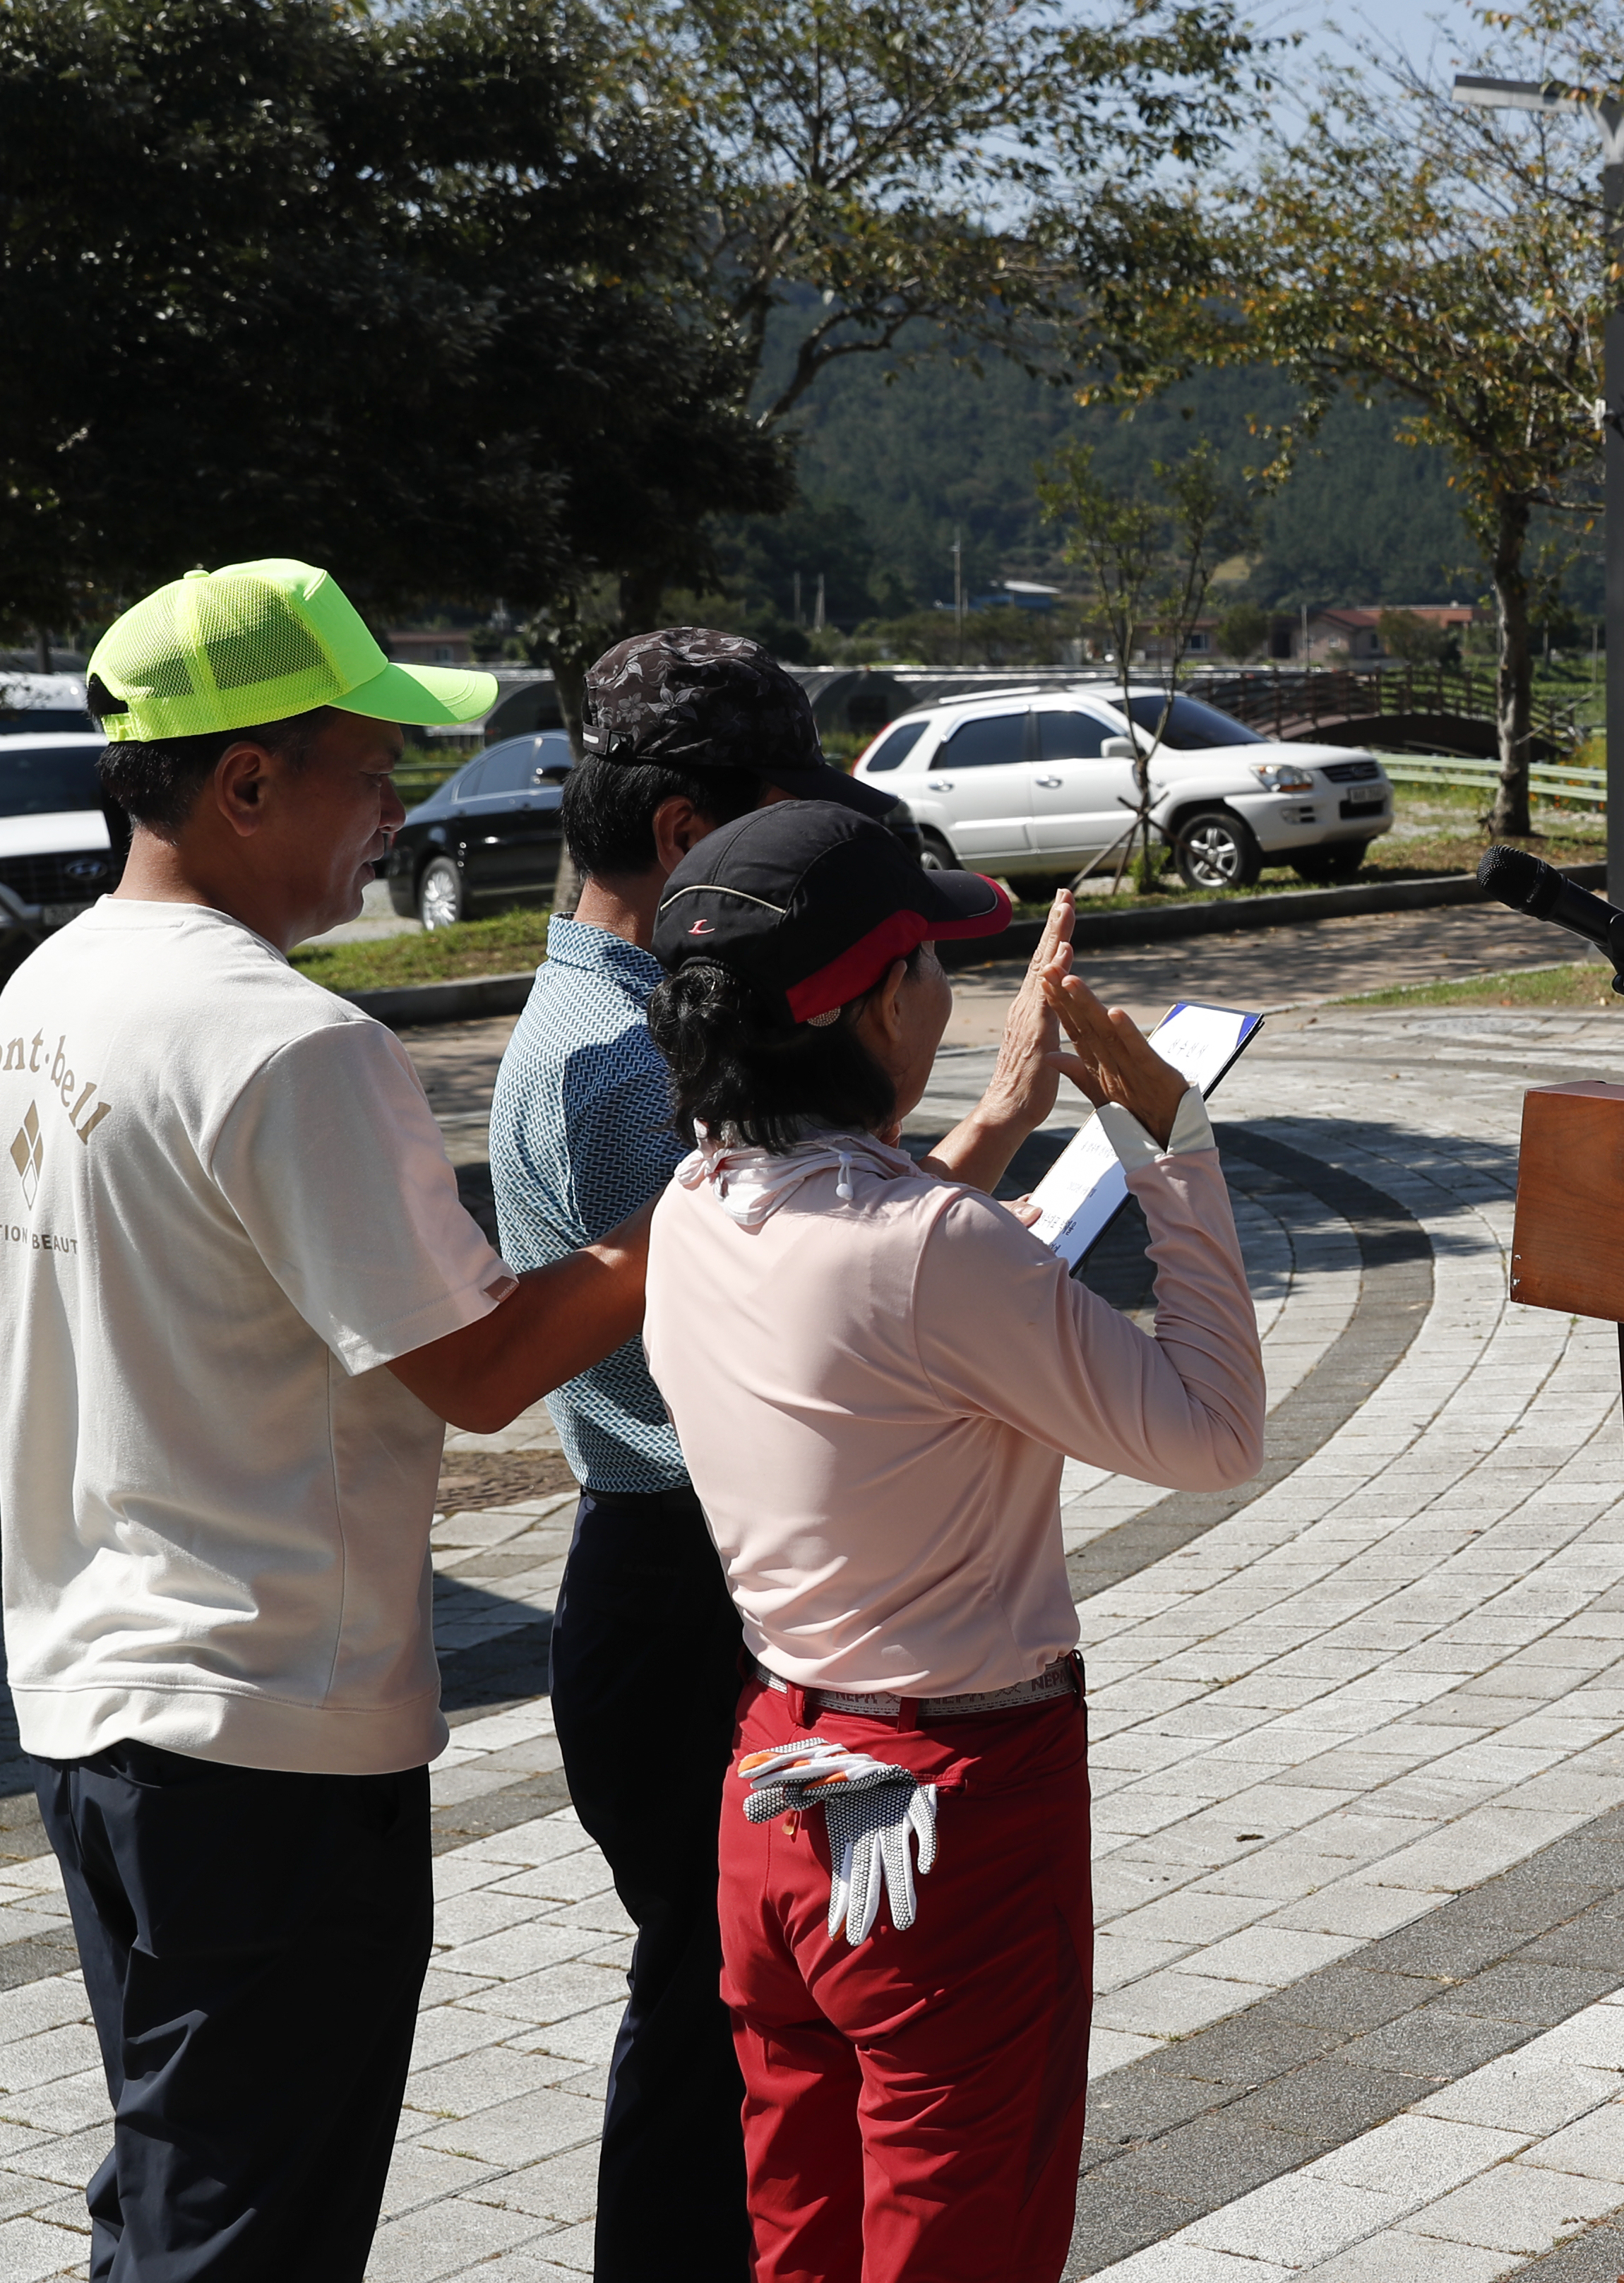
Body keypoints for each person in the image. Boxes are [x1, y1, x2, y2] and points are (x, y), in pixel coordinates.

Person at [0, 560, 662, 2280]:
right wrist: (717, 1209)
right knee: (248, 2235)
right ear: (243, 781)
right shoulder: (292, 1048)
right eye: (372, 773)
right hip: (265, 1729)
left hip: (94, 1698)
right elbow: (482, 1367)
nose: (396, 812)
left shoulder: (50, 990)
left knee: (173, 2188)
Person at [491, 628, 1074, 2278]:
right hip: (683, 1585)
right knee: (706, 2051)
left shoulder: (606, 1017)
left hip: (684, 1572)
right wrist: (966, 1226)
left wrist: (957, 1182)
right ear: (685, 842)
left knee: (722, 2025)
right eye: (765, 829)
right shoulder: (624, 1061)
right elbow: (774, 1320)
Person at [639, 801, 1266, 2282]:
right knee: (956, 2238)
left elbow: (882, 1293)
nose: (942, 989)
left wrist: (994, 1126)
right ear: (865, 1005)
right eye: (925, 961)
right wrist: (1167, 1134)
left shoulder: (690, 1205)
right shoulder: (931, 1248)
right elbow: (1214, 1431)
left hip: (780, 1785)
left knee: (804, 2227)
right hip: (951, 1818)